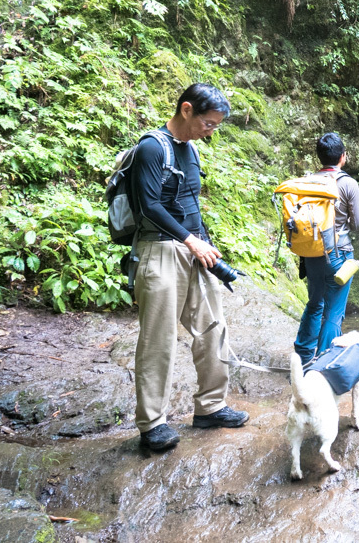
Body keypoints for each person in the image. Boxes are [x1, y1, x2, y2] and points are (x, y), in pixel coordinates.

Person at [131, 83, 249, 452]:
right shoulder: (151, 147)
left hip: (193, 249)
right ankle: (152, 424)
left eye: (216, 125)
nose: (211, 130)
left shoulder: (191, 149)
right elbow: (149, 205)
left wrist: (203, 244)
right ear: (186, 110)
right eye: (209, 123)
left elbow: (189, 202)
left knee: (213, 328)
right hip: (160, 251)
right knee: (158, 340)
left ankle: (210, 406)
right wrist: (189, 240)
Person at [294, 132, 359, 366]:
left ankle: (302, 358)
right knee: (334, 311)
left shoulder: (306, 182)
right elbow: (358, 224)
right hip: (339, 253)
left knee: (314, 304)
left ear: (319, 158)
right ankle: (323, 364)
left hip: (311, 253)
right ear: (343, 157)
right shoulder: (347, 183)